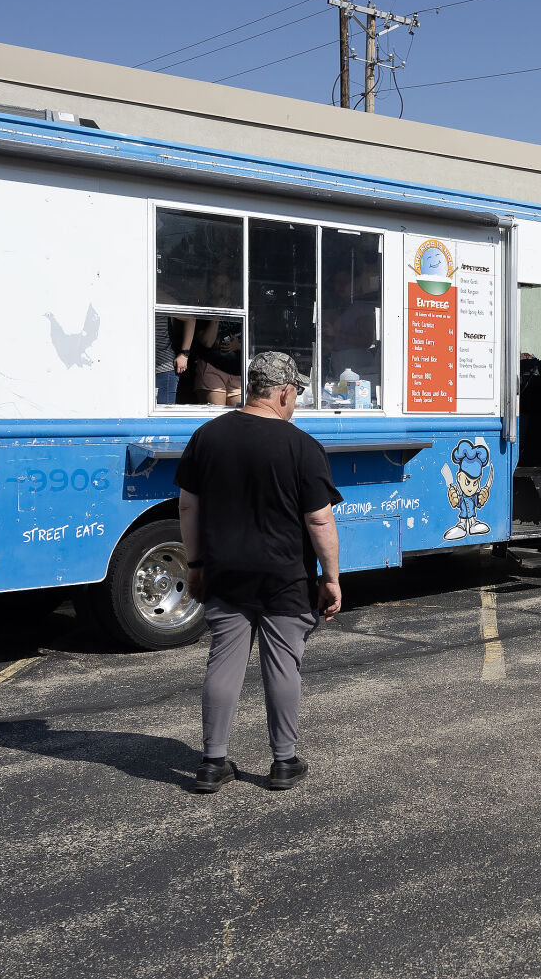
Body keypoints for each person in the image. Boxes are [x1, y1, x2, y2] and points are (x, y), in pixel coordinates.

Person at [176, 351, 343, 792]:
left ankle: (213, 763)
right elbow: (320, 520)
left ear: (252, 387)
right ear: (285, 392)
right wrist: (331, 579)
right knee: (283, 665)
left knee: (223, 662)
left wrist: (194, 566)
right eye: (297, 395)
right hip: (284, 574)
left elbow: (188, 505)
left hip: (225, 571)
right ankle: (283, 762)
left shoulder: (207, 436)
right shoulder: (302, 446)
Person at [153, 314, 195, 405]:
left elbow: (190, 318)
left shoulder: (161, 299)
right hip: (140, 366)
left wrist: (184, 354)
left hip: (163, 367)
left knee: (164, 411)